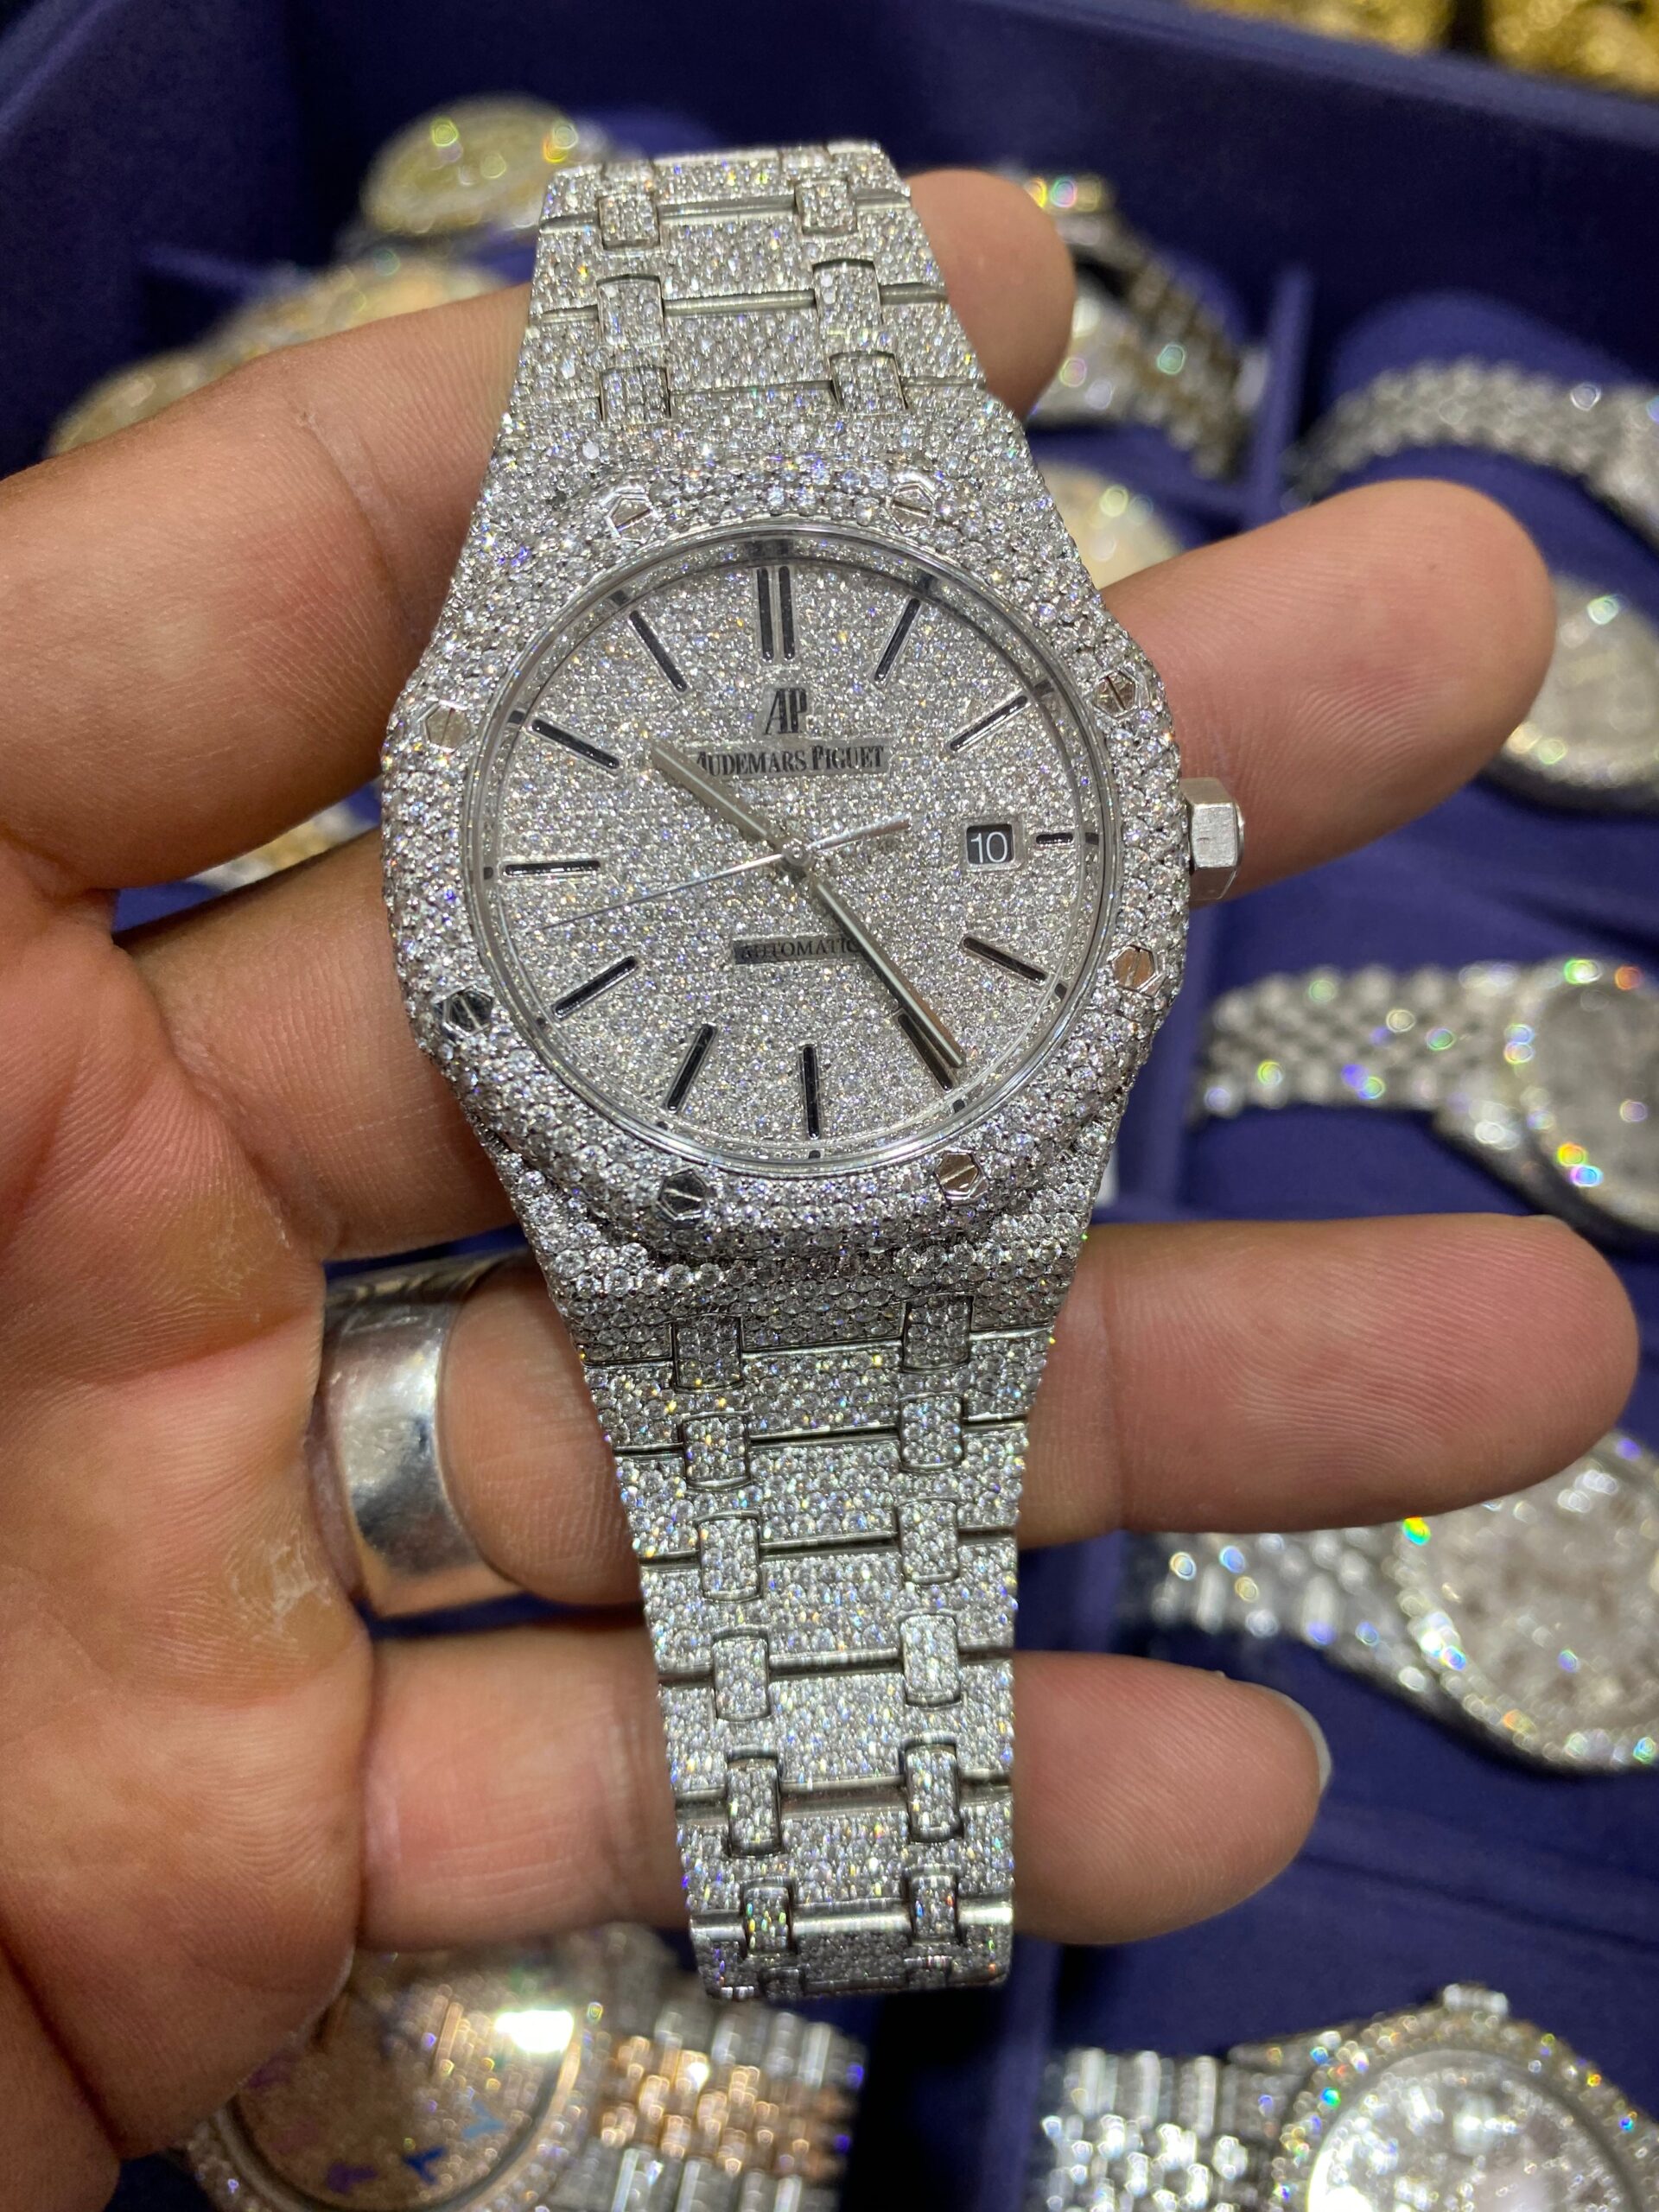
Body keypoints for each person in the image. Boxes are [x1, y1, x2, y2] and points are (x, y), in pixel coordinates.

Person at [0, 171, 1632, 2209]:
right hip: (669, 1172)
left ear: (1155, 827)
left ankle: (848, 1877)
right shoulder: (495, 847)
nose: (784, 862)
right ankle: (839, 1877)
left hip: (883, 1164)